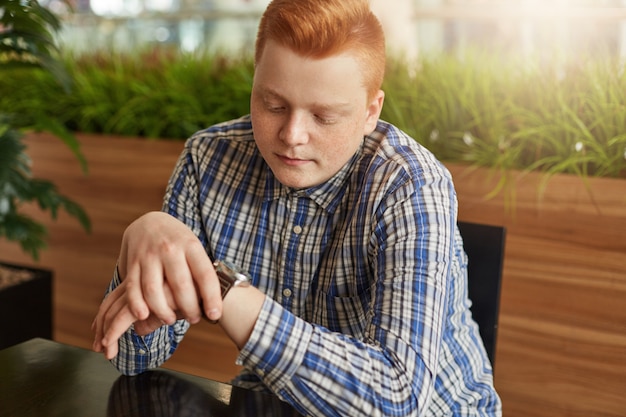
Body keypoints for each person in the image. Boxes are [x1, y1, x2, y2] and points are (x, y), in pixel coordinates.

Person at [92, 0, 502, 415]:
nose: (291, 135)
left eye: (324, 117)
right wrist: (144, 236)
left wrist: (229, 293)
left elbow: (397, 398)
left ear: (369, 113)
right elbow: (131, 359)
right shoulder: (207, 160)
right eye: (273, 105)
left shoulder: (411, 185)